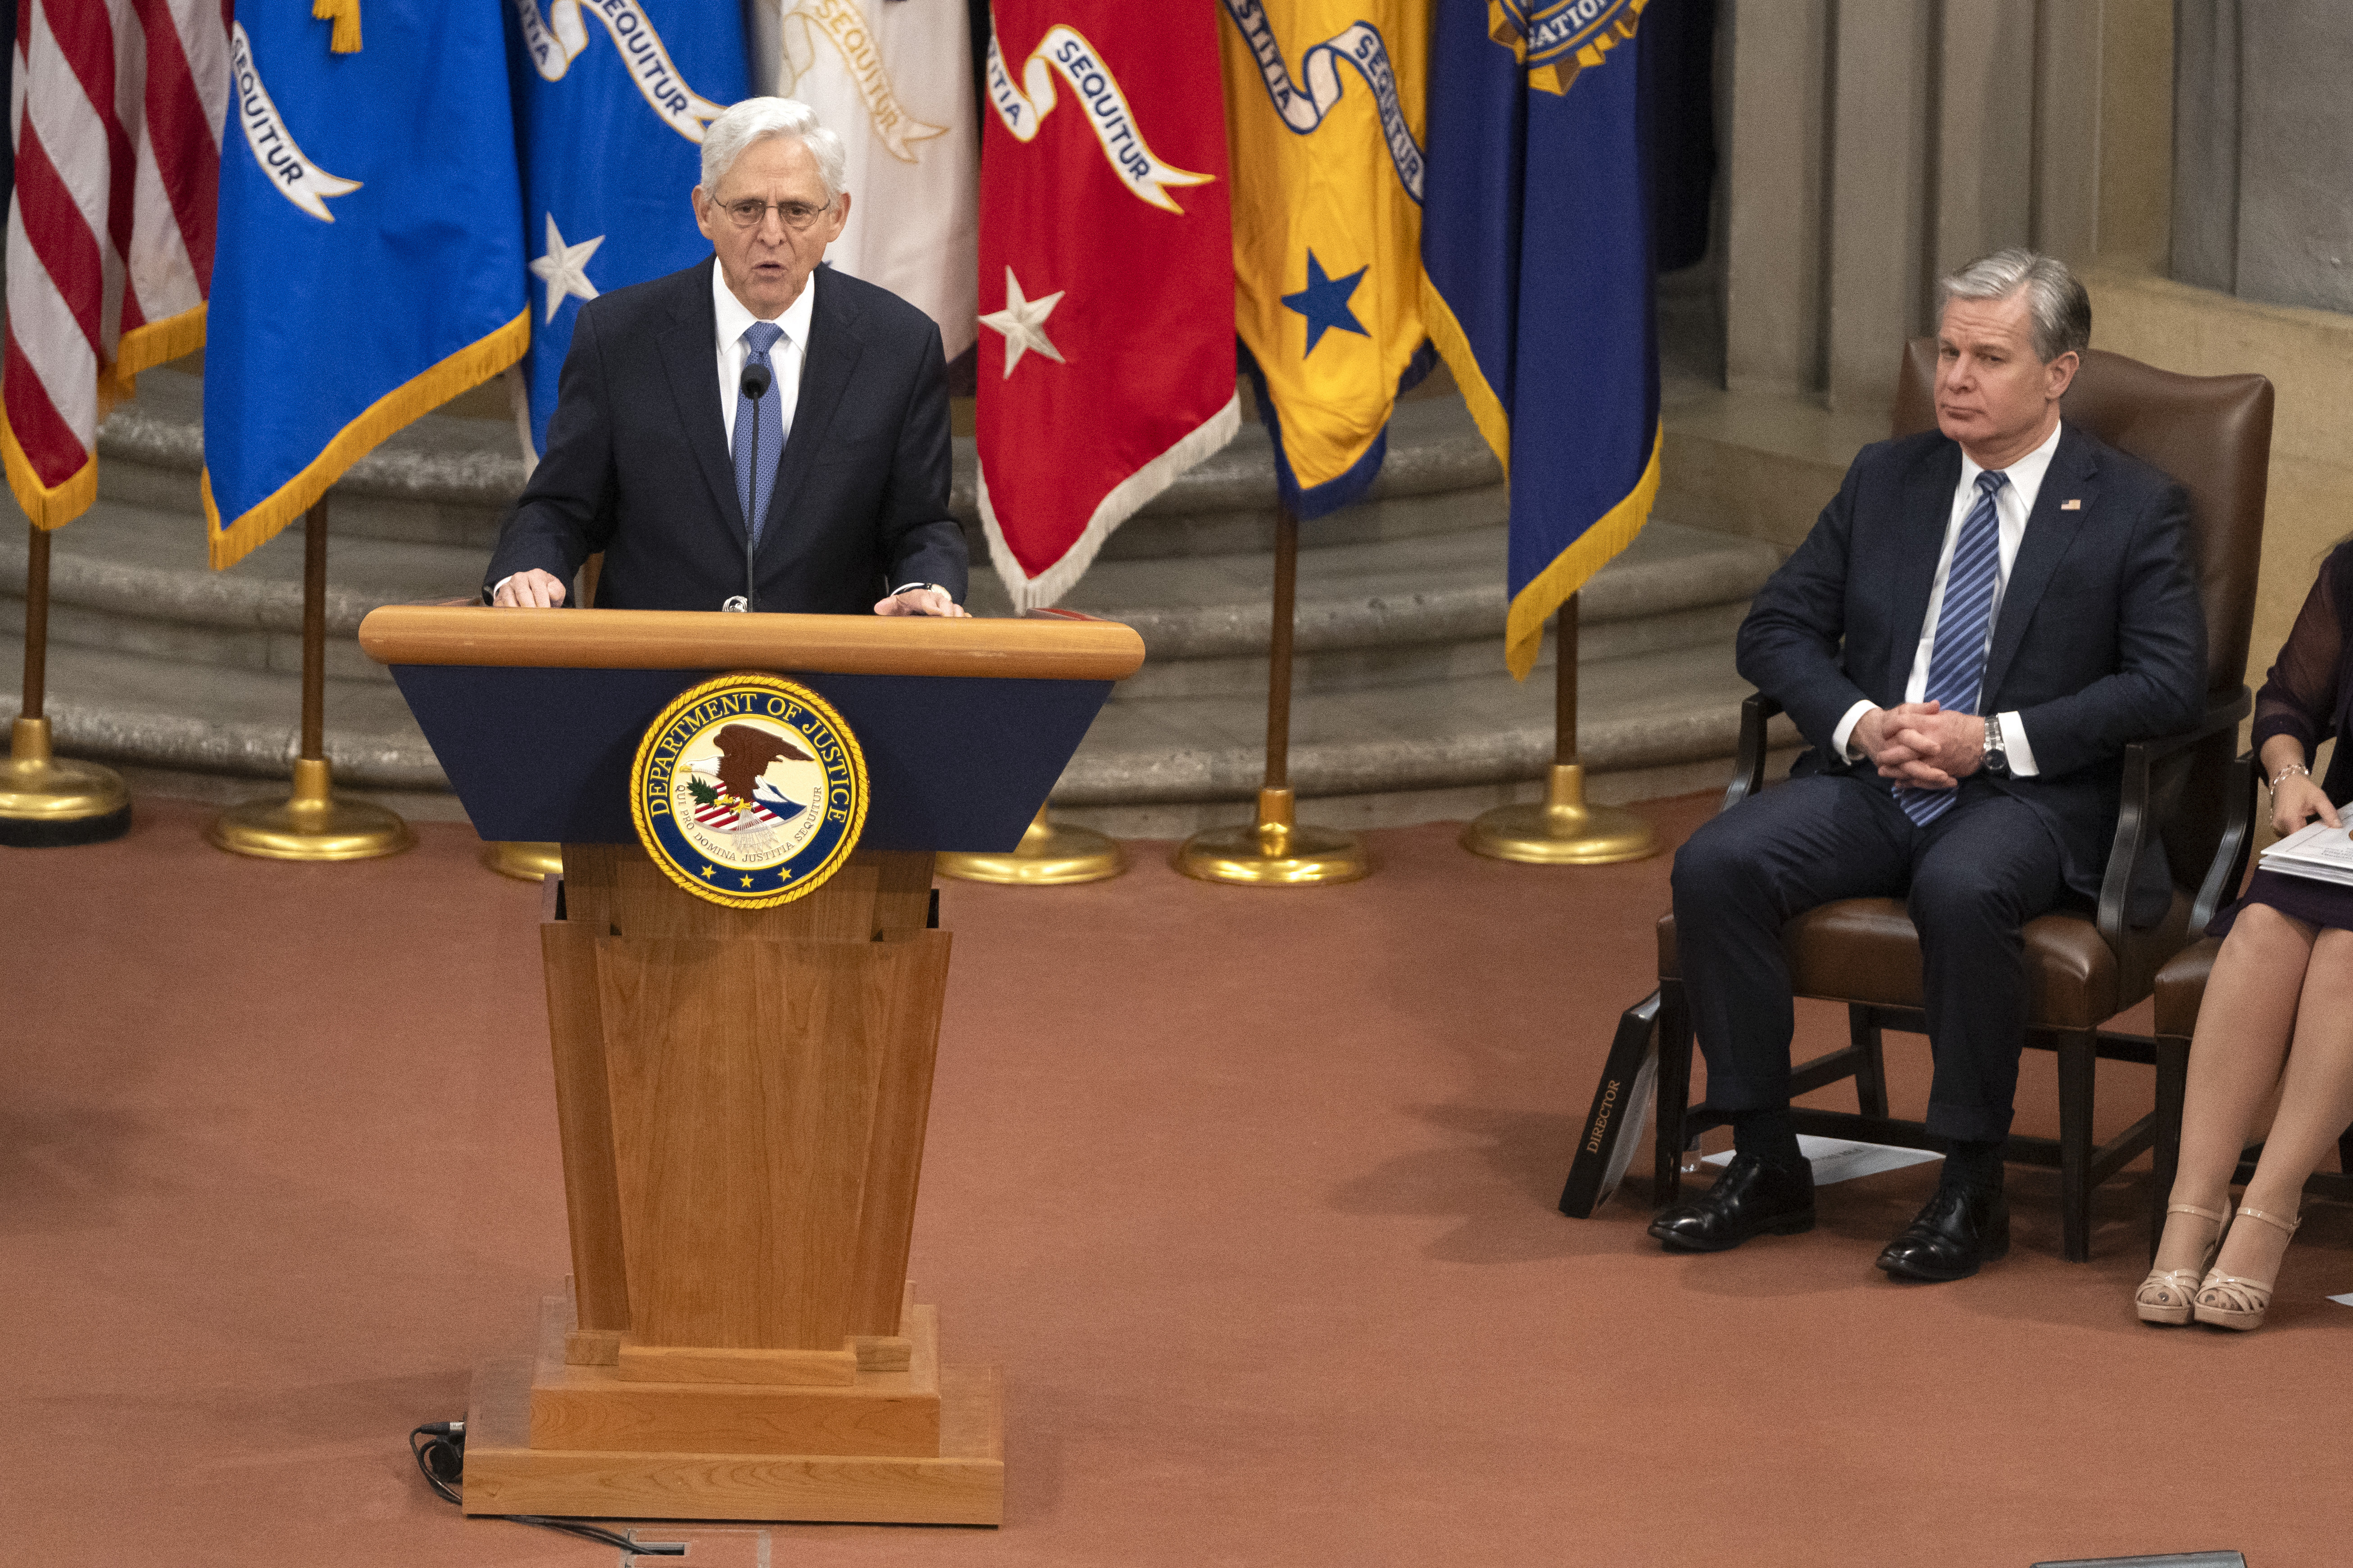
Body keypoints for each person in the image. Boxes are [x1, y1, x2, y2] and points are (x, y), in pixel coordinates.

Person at [1652, 249, 2207, 1281]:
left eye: (1987, 357)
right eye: (1947, 351)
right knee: (1717, 863)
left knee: (1963, 885)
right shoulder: (1886, 478)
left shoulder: (2133, 506)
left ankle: (1969, 1181)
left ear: (2058, 373)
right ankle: (1766, 1159)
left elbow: (2170, 684)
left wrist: (1989, 737)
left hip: (2031, 796)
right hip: (1876, 778)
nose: (1954, 376)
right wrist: (1862, 723)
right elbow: (1774, 628)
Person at [482, 97, 968, 618]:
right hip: (656, 672)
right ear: (705, 212)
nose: (772, 233)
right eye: (747, 208)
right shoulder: (621, 336)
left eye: (798, 210)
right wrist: (528, 570)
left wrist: (923, 587)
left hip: (824, 679)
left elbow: (921, 524)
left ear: (837, 217)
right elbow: (560, 505)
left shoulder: (898, 345)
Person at [2135, 543, 2353, 1330]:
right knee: (2260, 925)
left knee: (2348, 952)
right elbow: (2287, 700)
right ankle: (2191, 1206)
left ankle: (2267, 1207)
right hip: (2343, 840)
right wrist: (2289, 774)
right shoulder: (2350, 569)